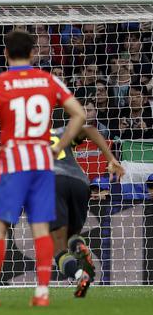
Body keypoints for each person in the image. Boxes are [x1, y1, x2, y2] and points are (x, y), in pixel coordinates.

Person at [0, 30, 85, 307]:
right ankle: (42, 294)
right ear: (33, 53)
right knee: (41, 229)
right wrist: (59, 146)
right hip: (43, 163)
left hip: (11, 162)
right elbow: (79, 114)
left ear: (5, 53)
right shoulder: (49, 80)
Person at [49, 124, 124, 298]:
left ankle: (79, 276)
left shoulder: (25, 141)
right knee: (72, 236)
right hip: (80, 182)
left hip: (52, 182)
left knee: (58, 247)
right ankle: (79, 246)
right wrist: (111, 159)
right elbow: (90, 128)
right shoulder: (60, 133)